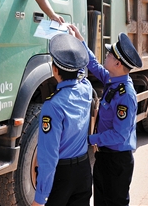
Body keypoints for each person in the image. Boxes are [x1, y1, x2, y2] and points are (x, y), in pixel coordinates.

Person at [70, 25, 142, 206]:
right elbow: (92, 64)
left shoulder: (126, 94)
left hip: (117, 161)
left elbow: (119, 134)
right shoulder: (112, 79)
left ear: (118, 64)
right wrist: (80, 41)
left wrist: (90, 139)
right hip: (104, 156)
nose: (106, 55)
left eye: (109, 55)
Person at [32, 33, 93, 206]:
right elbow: (82, 71)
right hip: (84, 170)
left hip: (62, 176)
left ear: (55, 69)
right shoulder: (86, 90)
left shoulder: (52, 105)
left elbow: (49, 156)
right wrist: (78, 44)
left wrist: (40, 198)